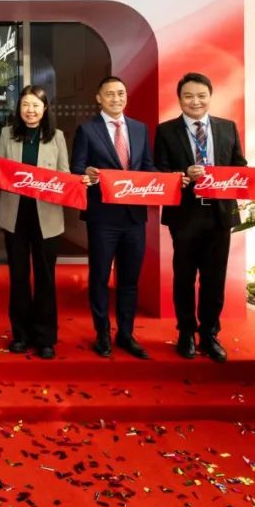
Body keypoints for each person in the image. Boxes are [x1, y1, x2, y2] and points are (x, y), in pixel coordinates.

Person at [155, 72, 255, 362]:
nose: (195, 101)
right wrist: (183, 174)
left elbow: (240, 166)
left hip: (219, 214)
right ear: (179, 99)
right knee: (184, 277)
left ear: (210, 96)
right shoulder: (166, 131)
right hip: (185, 214)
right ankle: (186, 332)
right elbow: (158, 170)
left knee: (214, 278)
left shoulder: (227, 128)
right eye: (188, 96)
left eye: (201, 95)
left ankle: (210, 334)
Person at [70, 75, 156, 360]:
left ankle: (126, 334)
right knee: (99, 277)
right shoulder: (87, 130)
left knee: (129, 279)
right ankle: (103, 333)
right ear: (99, 98)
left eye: (120, 93)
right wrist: (86, 174)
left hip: (134, 217)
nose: (116, 98)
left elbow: (147, 167)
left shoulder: (140, 129)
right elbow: (76, 168)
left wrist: (168, 180)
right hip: (102, 217)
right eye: (109, 94)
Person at [0, 86, 69, 360]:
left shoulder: (57, 137)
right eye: (25, 105)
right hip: (15, 216)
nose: (30, 110)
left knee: (46, 278)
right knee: (19, 277)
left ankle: (45, 338)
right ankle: (21, 335)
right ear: (19, 108)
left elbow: (64, 175)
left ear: (45, 108)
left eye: (36, 105)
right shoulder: (7, 134)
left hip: (47, 217)